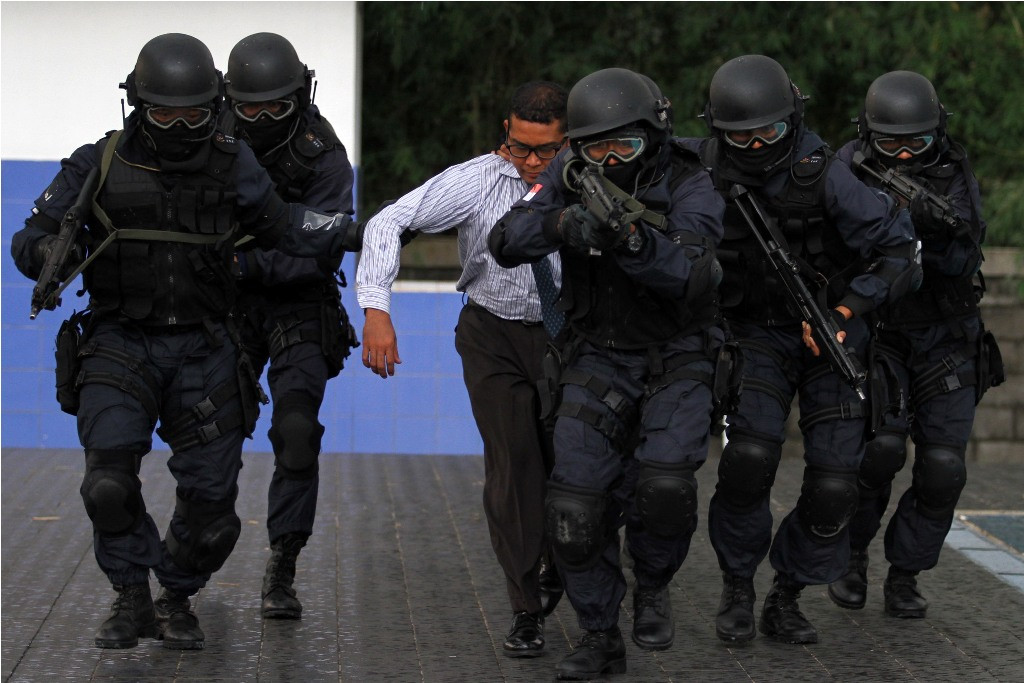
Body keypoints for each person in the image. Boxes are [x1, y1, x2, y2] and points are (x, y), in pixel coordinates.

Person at [10, 33, 361, 650]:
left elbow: (286, 227)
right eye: (163, 114)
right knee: (108, 484)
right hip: (121, 343)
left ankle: (174, 594)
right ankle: (131, 595)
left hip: (205, 350)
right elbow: (28, 238)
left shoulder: (233, 161)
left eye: (194, 115)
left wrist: (361, 231)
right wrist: (49, 253)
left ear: (212, 107)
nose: (178, 127)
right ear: (137, 104)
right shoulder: (101, 159)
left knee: (213, 515)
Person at [489, 67, 727, 680]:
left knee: (665, 489)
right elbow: (506, 238)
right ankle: (600, 634)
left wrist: (630, 239)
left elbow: (688, 274)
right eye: (598, 147)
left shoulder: (692, 180)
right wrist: (561, 224)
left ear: (654, 134)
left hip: (679, 355)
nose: (611, 159)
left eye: (626, 145)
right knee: (571, 508)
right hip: (598, 355)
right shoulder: (570, 177)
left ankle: (652, 583)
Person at [676, 54, 921, 645]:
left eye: (770, 133)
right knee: (749, 460)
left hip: (831, 334)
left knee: (838, 482)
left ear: (793, 118)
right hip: (750, 334)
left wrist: (843, 311)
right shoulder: (698, 165)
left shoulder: (824, 171)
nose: (757, 146)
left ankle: (787, 594)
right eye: (741, 136)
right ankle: (738, 585)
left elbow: (900, 252)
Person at [356, 81, 569, 658]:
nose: (528, 162)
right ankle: (526, 609)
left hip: (572, 340)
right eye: (518, 146)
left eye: (544, 151)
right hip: (493, 335)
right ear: (506, 131)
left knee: (577, 467)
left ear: (567, 140)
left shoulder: (586, 181)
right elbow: (387, 221)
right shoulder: (477, 178)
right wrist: (377, 309)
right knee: (516, 465)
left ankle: (565, 562)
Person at [827, 71, 1003, 618]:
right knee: (877, 453)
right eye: (890, 144)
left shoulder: (952, 171)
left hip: (945, 335)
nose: (903, 156)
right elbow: (832, 247)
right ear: (868, 134)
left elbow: (967, 256)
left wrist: (932, 230)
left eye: (917, 143)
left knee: (943, 467)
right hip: (880, 335)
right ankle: (852, 557)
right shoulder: (847, 166)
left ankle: (905, 574)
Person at [223, 32, 358, 621]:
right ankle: (191, 557)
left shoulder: (323, 153)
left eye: (276, 107)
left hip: (299, 302)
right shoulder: (207, 137)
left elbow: (319, 250)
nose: (261, 120)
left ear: (300, 95)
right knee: (211, 435)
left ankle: (283, 563)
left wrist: (247, 259)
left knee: (298, 431)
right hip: (224, 305)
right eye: (249, 107)